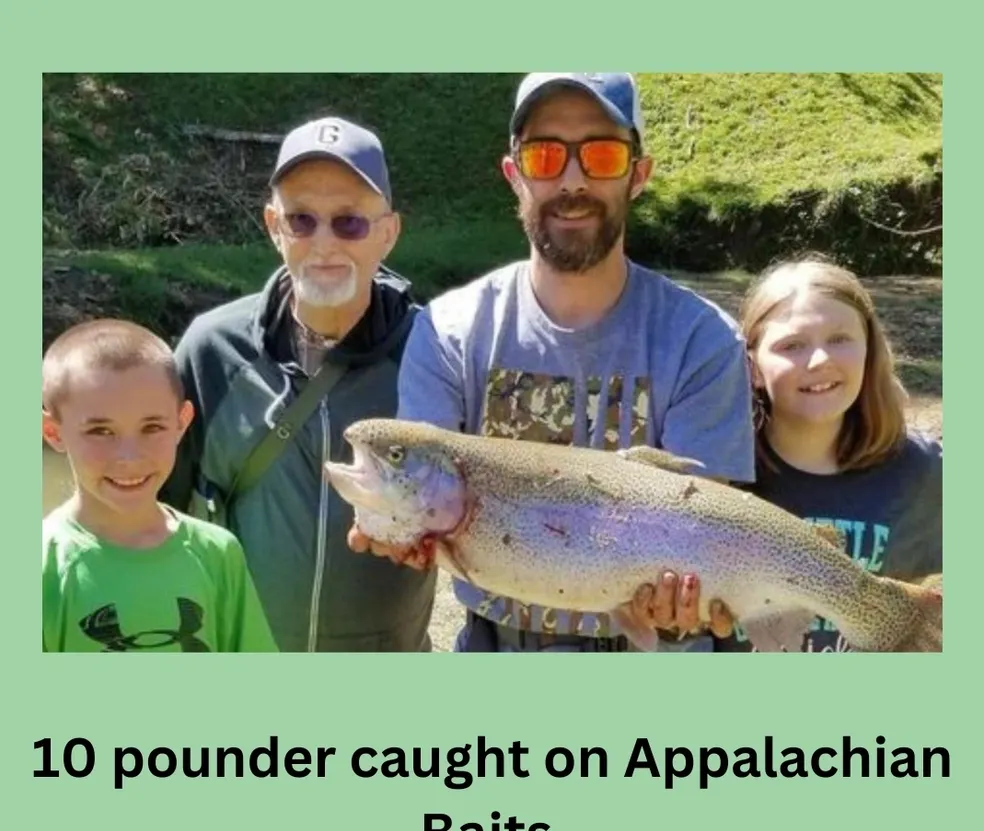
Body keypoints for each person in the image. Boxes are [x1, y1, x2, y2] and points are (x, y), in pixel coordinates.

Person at [352, 73, 754, 652]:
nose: (572, 179)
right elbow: (419, 494)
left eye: (602, 154)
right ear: (515, 175)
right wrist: (394, 525)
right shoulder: (448, 331)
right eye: (545, 156)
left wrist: (684, 605)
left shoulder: (703, 340)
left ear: (638, 175)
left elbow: (710, 534)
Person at [160, 116, 436, 652]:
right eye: (302, 220)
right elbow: (150, 509)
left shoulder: (435, 355)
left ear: (388, 232)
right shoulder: (209, 350)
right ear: (272, 226)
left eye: (350, 222)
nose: (324, 243)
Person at [715, 257, 942, 652]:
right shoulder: (717, 478)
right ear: (752, 367)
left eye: (839, 338)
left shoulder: (924, 473)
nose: (820, 361)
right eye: (792, 345)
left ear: (870, 348)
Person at [42, 319, 277, 652]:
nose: (129, 457)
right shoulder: (42, 566)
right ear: (53, 433)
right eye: (100, 431)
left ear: (182, 423)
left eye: (152, 427)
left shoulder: (218, 554)